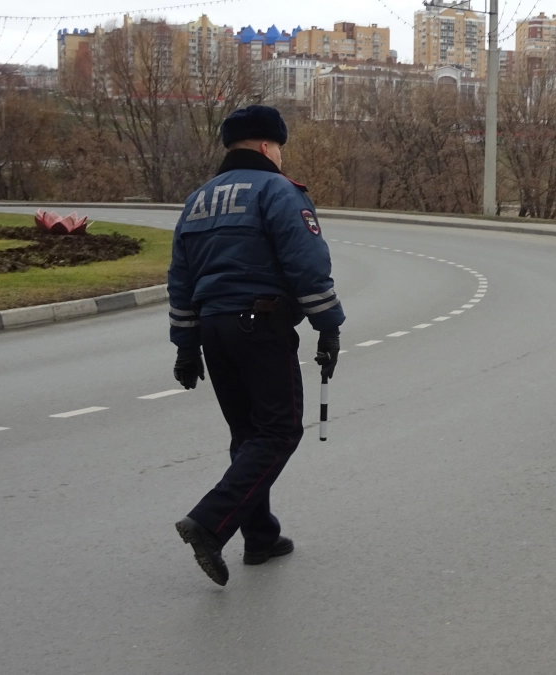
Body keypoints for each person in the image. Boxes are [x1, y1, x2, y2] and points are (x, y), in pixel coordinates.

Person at [167, 105, 345, 586]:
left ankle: (261, 537)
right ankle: (209, 523)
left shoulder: (197, 200)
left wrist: (185, 345)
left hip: (211, 331)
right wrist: (328, 325)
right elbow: (306, 262)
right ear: (268, 146)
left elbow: (181, 278)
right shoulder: (278, 191)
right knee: (281, 431)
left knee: (248, 435)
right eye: (279, 148)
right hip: (260, 326)